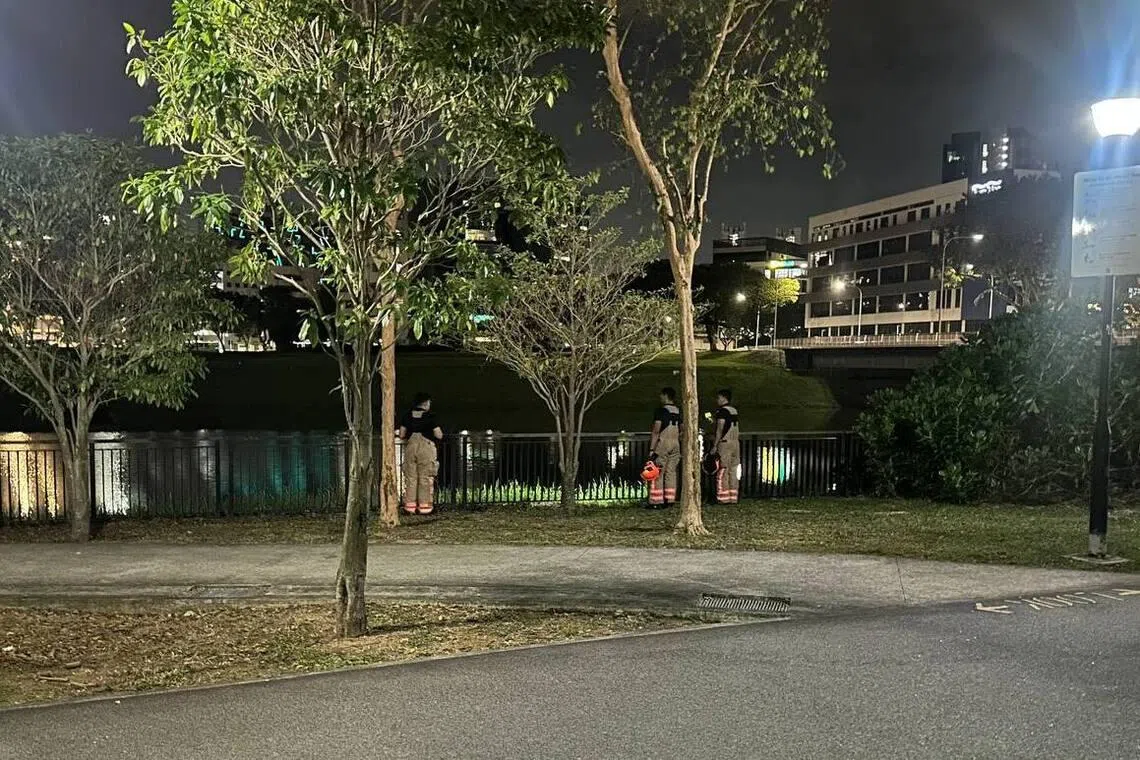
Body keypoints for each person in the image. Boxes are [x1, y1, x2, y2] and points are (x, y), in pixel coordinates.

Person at [397, 392, 443, 515]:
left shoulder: (407, 416)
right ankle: (425, 508)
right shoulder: (430, 416)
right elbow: (438, 434)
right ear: (426, 403)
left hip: (411, 447)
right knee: (426, 477)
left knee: (411, 478)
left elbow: (401, 434)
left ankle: (410, 507)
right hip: (426, 447)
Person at [647, 386, 681, 508]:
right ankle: (670, 499)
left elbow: (656, 431)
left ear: (666, 396)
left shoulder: (661, 411)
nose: (660, 397)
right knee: (671, 472)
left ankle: (656, 501)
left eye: (661, 395)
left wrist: (652, 449)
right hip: (676, 443)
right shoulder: (678, 411)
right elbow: (682, 429)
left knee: (657, 472)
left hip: (663, 443)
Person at [709, 388, 740, 504]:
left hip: (725, 443)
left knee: (722, 469)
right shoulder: (734, 410)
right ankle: (733, 497)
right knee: (733, 470)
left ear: (723, 398)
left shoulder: (722, 411)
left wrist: (715, 445)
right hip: (735, 443)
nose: (717, 400)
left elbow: (720, 429)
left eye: (718, 398)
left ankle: (723, 497)